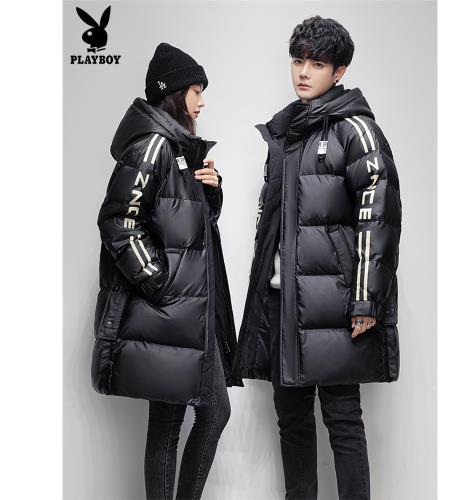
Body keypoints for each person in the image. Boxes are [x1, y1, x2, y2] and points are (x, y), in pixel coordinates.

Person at [232, 16, 402, 500]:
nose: (304, 72)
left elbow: (379, 217)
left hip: (336, 305)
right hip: (282, 302)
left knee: (343, 420)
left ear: (339, 71)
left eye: (317, 64)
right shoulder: (287, 132)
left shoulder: (357, 131)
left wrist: (366, 300)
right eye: (298, 60)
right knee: (291, 421)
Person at [91, 42, 242, 500]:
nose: (202, 101)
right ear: (173, 94)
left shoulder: (177, 149)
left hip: (184, 314)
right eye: (196, 91)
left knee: (179, 418)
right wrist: (160, 280)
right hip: (169, 311)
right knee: (188, 418)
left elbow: (187, 229)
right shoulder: (153, 146)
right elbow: (118, 222)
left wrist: (211, 193)